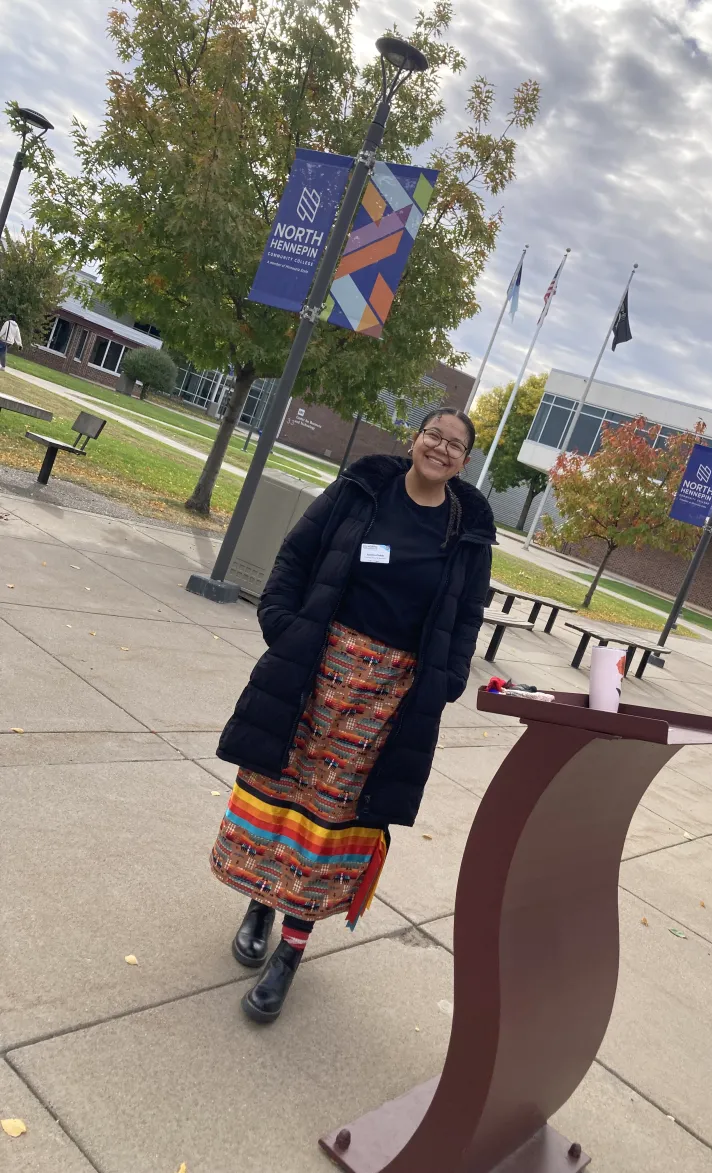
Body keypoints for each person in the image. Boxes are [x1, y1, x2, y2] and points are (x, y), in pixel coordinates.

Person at [210, 406, 494, 1023]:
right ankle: (260, 901)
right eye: (433, 436)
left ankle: (290, 950)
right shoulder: (362, 489)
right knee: (276, 786)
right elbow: (295, 557)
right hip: (314, 667)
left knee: (332, 818)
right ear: (414, 439)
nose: (440, 449)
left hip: (387, 696)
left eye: (455, 445)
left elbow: (468, 615)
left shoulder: (466, 531)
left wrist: (443, 682)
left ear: (465, 462)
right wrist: (284, 628)